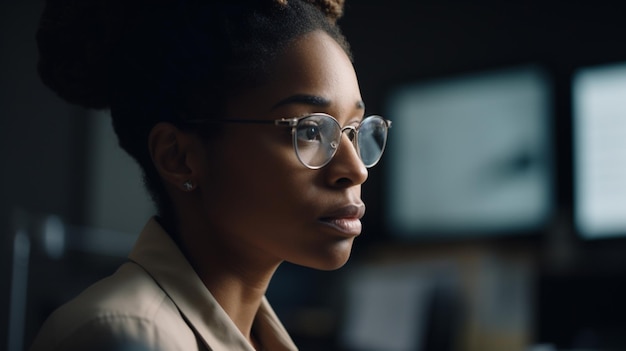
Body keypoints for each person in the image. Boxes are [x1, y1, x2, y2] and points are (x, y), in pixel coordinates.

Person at [30, 0, 391, 350]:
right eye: (310, 131)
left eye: (354, 129)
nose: (355, 169)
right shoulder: (121, 338)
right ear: (179, 157)